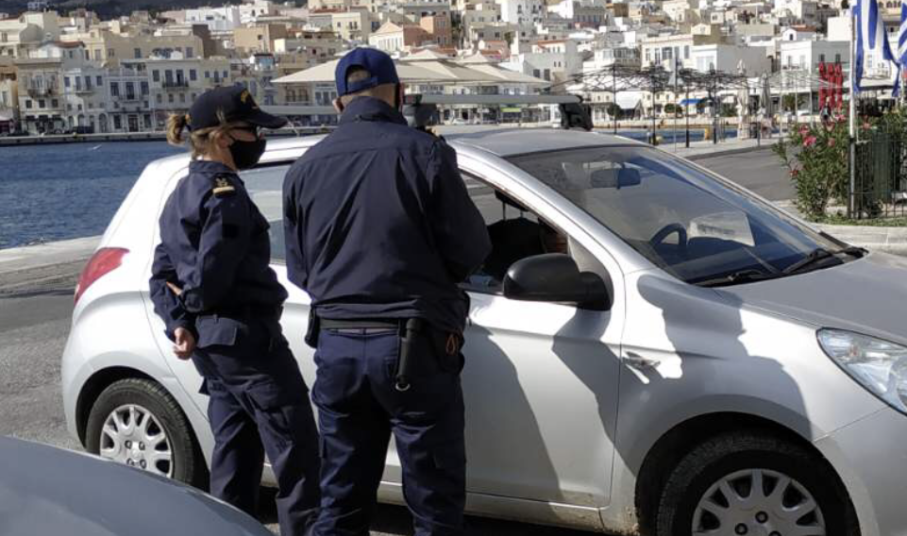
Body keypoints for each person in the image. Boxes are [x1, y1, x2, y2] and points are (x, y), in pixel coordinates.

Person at [282, 48, 492, 536]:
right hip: (412, 347)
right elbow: (470, 251)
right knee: (434, 506)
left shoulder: (304, 167)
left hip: (336, 346)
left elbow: (300, 270)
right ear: (400, 94)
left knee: (340, 502)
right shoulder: (425, 153)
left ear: (338, 103)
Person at [148, 86, 321, 536]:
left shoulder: (181, 191)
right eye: (253, 131)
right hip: (248, 342)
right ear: (223, 137)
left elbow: (161, 273)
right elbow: (213, 272)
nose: (259, 140)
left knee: (235, 455)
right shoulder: (224, 194)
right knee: (297, 452)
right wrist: (193, 305)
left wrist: (180, 321)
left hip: (214, 347)